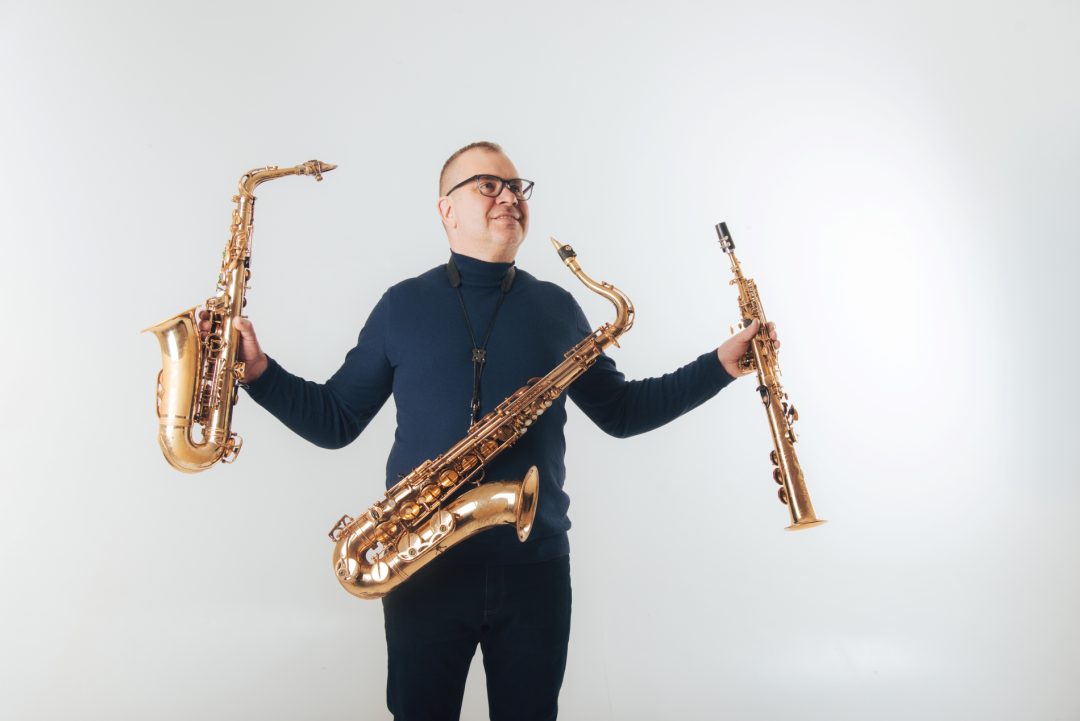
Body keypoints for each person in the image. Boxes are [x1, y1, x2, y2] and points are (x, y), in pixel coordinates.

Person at [212, 141, 777, 721]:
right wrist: (260, 373)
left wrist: (719, 365)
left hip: (535, 569)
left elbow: (623, 412)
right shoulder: (402, 305)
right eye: (488, 184)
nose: (509, 196)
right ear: (446, 210)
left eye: (516, 186)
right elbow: (336, 421)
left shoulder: (557, 307)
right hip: (420, 568)